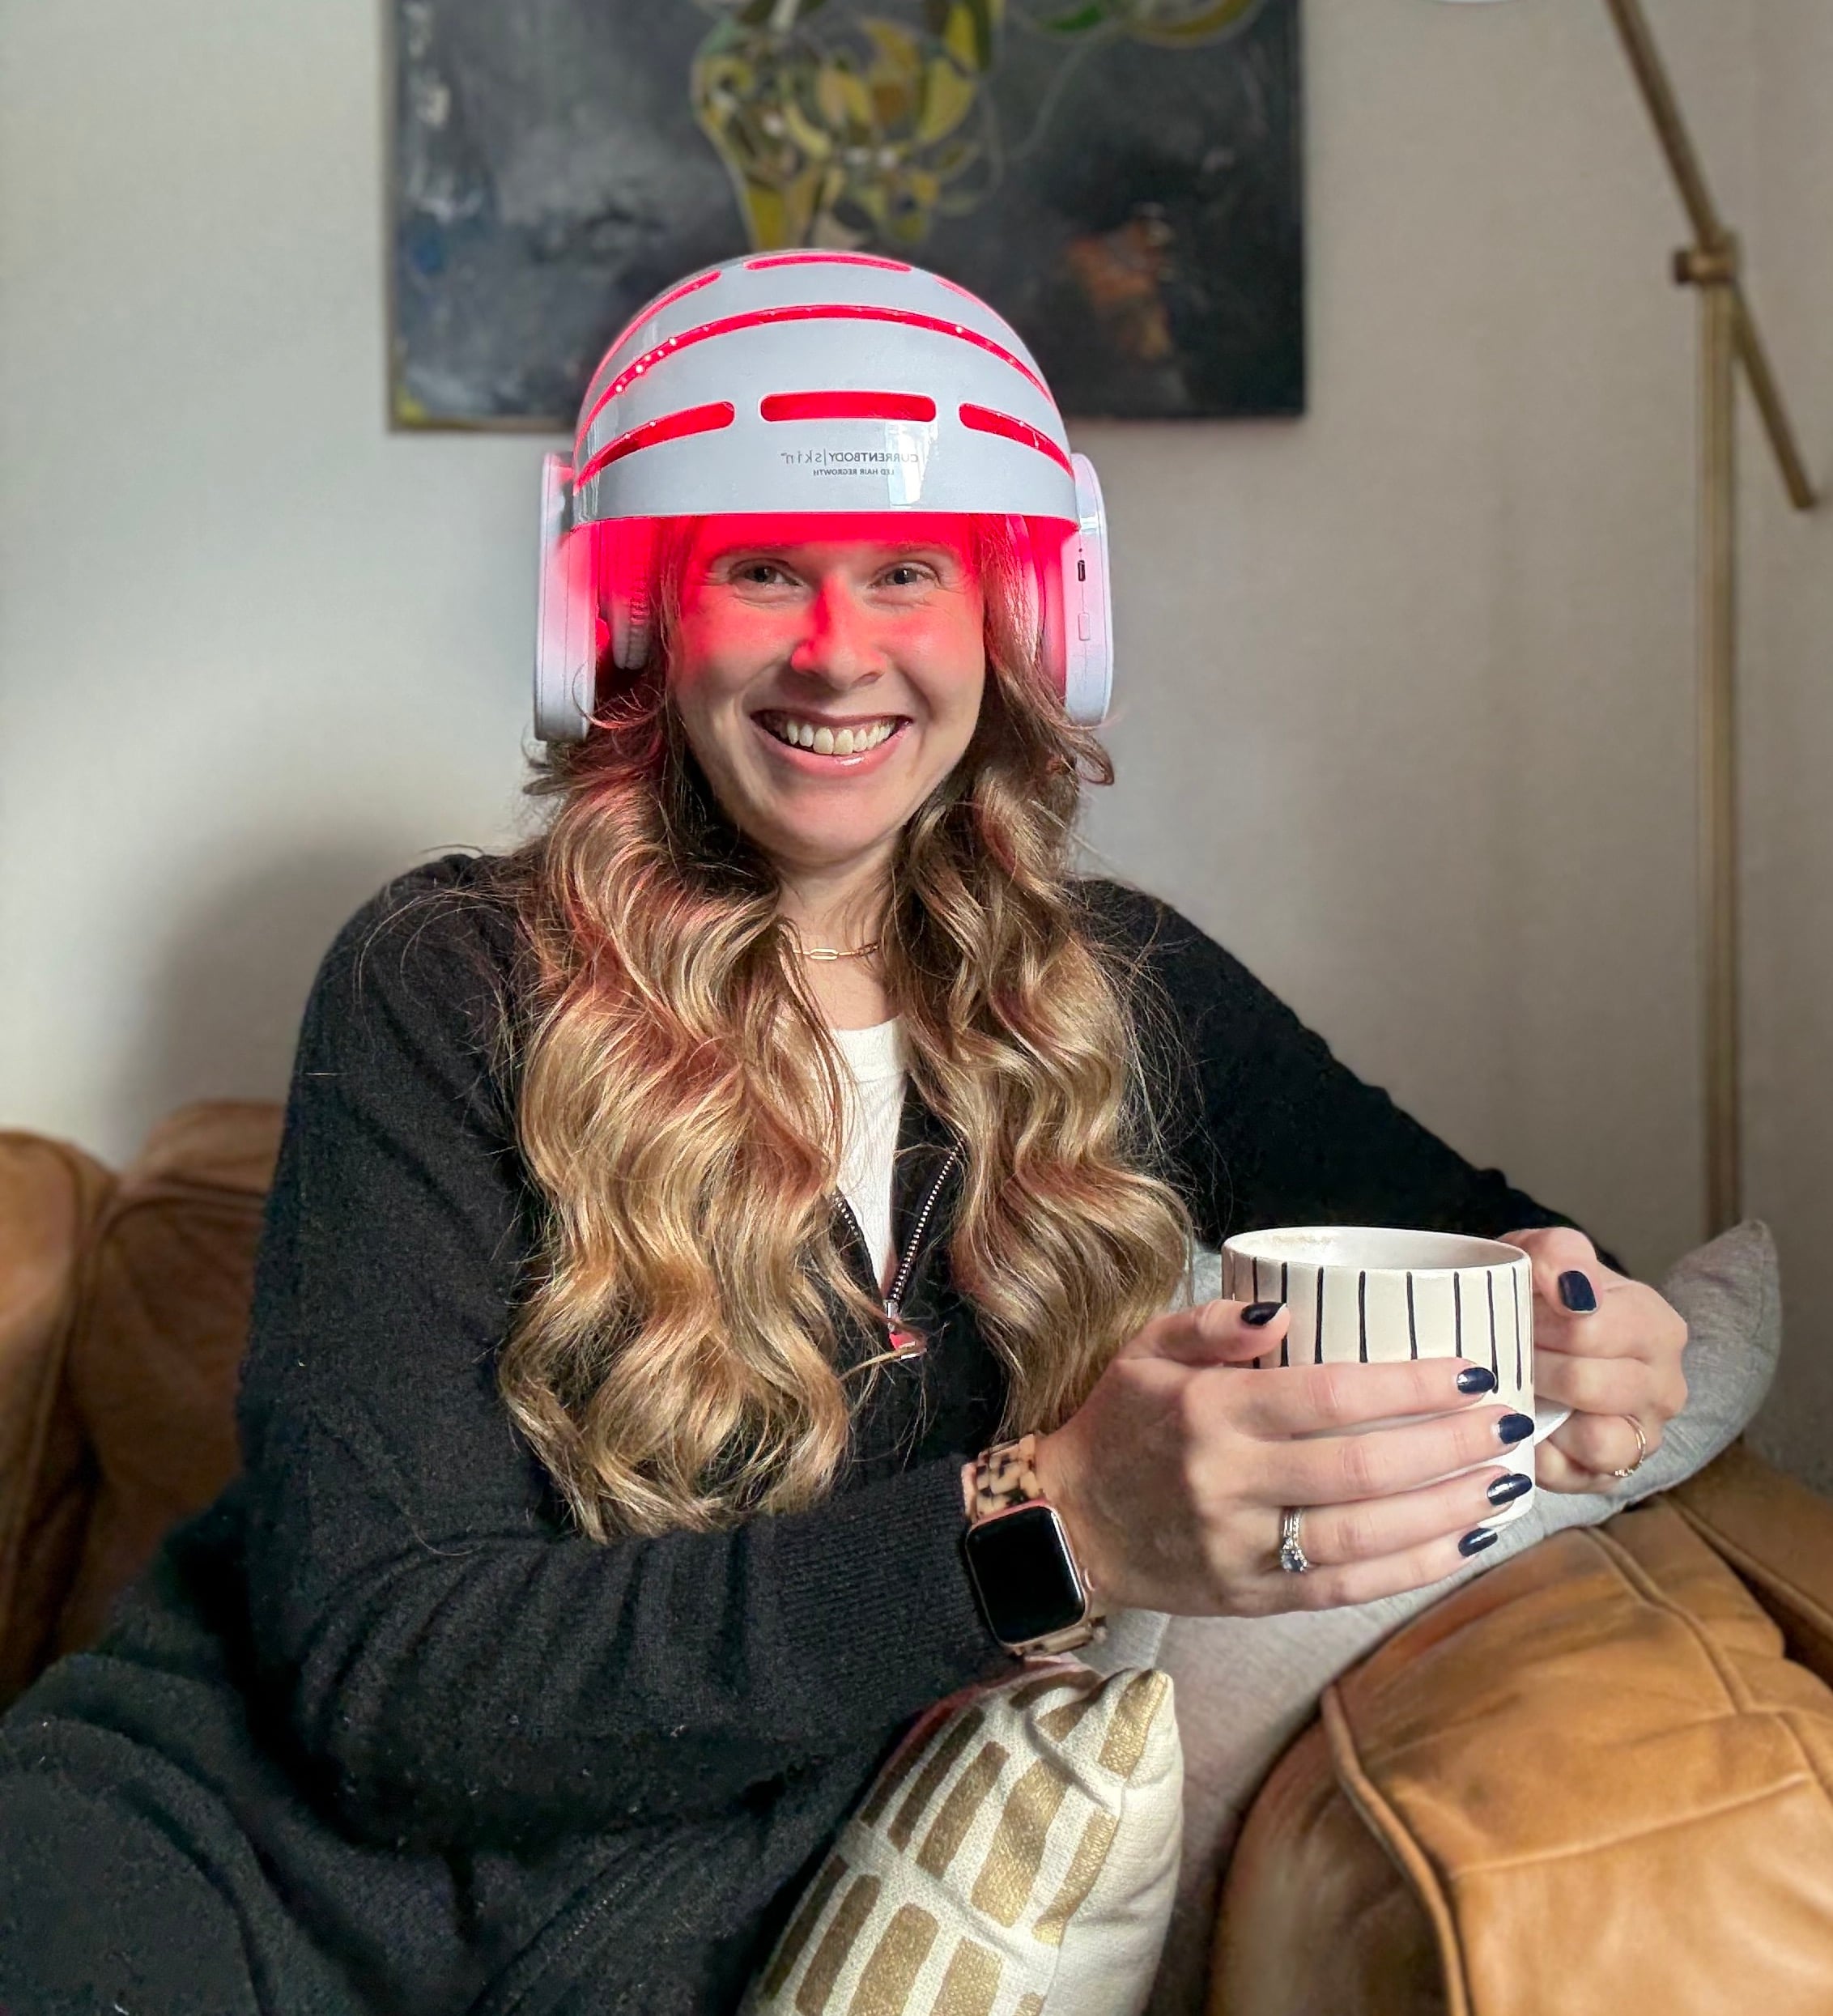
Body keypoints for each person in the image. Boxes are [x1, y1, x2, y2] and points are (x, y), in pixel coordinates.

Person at [0, 257, 1691, 2015]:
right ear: (635, 614)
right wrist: (1052, 1531)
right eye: (758, 571)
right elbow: (392, 1682)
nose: (837, 649)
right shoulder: (446, 980)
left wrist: (1583, 1323)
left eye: (906, 572)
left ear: (1020, 619)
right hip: (199, 1896)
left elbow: (1502, 1242)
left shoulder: (1126, 998)